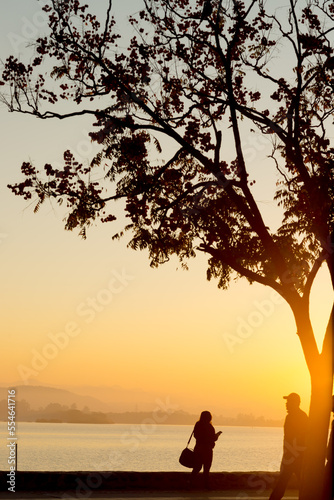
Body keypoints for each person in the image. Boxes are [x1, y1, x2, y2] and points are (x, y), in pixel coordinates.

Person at [269, 393, 308, 500]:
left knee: (283, 483)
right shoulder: (293, 416)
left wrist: (289, 455)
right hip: (292, 456)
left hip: (295, 457)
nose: (286, 404)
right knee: (284, 483)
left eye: (288, 402)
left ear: (295, 403)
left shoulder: (299, 417)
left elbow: (299, 438)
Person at [190, 410, 222, 489]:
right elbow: (213, 438)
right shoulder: (209, 427)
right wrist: (217, 435)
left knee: (197, 467)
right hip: (207, 450)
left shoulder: (197, 425)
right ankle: (206, 486)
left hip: (198, 449)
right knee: (206, 469)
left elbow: (196, 436)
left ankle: (190, 483)